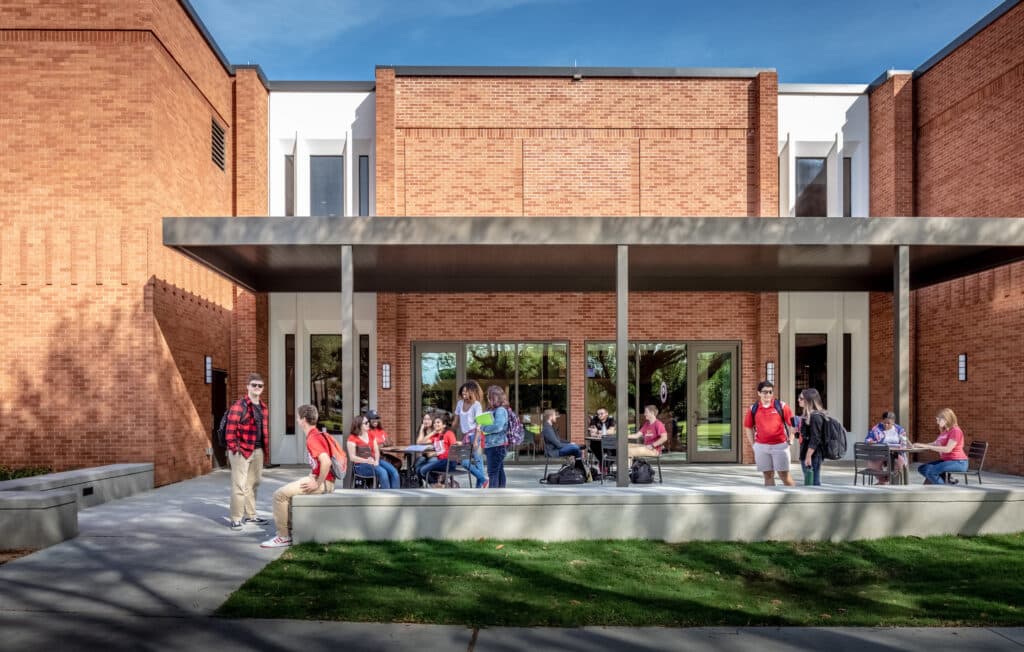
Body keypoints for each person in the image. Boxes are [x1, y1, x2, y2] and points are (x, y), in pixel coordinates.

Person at [261, 404, 338, 548]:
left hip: (323, 483)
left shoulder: (313, 438)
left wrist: (316, 482)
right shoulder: (316, 434)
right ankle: (290, 532)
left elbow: (326, 462)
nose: (296, 420)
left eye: (297, 417)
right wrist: (312, 475)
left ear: (303, 419)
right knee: (287, 494)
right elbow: (320, 463)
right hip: (324, 481)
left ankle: (283, 537)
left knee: (279, 495)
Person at [225, 373, 270, 530]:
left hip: (258, 450)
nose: (257, 388)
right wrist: (234, 449)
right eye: (254, 385)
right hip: (241, 451)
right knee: (239, 485)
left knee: (253, 483)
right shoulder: (239, 406)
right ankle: (236, 518)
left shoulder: (263, 408)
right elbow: (229, 431)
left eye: (260, 385)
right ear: (248, 387)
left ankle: (251, 516)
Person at [742, 380, 795, 487]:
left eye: (770, 392)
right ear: (759, 393)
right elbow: (748, 427)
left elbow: (792, 424)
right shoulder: (754, 408)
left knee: (784, 475)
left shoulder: (781, 406)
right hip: (761, 447)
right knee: (768, 475)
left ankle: (795, 500)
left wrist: (791, 438)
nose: (768, 394)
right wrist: (754, 444)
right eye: (765, 392)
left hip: (780, 446)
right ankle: (770, 500)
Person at [916, 408, 969, 485]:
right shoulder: (945, 431)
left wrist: (929, 447)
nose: (937, 422)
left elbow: (948, 449)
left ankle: (945, 489)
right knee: (923, 468)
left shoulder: (955, 431)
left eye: (938, 420)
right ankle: (946, 482)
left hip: (958, 462)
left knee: (931, 472)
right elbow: (935, 443)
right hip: (947, 460)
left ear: (946, 419)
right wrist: (919, 445)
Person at [455, 381, 488, 489]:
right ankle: (483, 480)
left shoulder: (476, 405)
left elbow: (479, 423)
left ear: (472, 392)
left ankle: (479, 489)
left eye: (466, 391)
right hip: (465, 437)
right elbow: (455, 422)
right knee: (464, 463)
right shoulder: (460, 403)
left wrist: (476, 441)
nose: (464, 393)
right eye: (462, 391)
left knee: (478, 461)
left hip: (475, 436)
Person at [347, 414, 393, 489]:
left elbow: (376, 450)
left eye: (368, 422)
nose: (368, 424)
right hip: (361, 465)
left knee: (393, 471)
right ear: (359, 425)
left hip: (374, 461)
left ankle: (395, 495)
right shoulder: (352, 438)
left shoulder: (371, 434)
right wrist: (366, 460)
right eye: (366, 423)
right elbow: (352, 458)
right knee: (383, 472)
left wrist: (377, 461)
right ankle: (387, 496)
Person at [865, 411, 910, 484]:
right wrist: (870, 441)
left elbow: (904, 442)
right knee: (873, 466)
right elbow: (868, 439)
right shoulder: (876, 429)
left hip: (895, 454)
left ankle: (883, 482)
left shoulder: (899, 429)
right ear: (882, 421)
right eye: (884, 422)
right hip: (880, 453)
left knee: (899, 463)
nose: (886, 425)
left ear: (893, 422)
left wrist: (903, 443)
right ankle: (882, 481)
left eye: (888, 423)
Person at [479, 385, 510, 488]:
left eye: (489, 397)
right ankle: (501, 494)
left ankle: (493, 496)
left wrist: (483, 428)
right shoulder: (495, 410)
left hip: (496, 446)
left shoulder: (500, 410)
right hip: (495, 445)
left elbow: (498, 426)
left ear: (495, 397)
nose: (488, 399)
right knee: (499, 471)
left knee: (492, 472)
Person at [418, 413, 459, 486]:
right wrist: (433, 432)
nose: (435, 424)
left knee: (423, 470)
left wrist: (436, 454)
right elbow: (421, 443)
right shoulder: (436, 436)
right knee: (420, 470)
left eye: (438, 422)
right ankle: (438, 485)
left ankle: (437, 485)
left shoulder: (449, 433)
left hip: (449, 462)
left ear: (444, 425)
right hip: (441, 462)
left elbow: (454, 450)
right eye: (434, 423)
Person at [795, 389, 826, 486]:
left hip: (813, 455)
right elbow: (807, 436)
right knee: (810, 482)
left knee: (813, 483)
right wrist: (797, 432)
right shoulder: (807, 416)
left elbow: (815, 438)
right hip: (806, 453)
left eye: (801, 398)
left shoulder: (815, 417)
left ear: (808, 400)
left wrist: (808, 456)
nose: (798, 400)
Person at [366, 410, 401, 488]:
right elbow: (372, 447)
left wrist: (381, 444)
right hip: (373, 457)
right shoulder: (367, 431)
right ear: (368, 420)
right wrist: (381, 444)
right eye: (373, 419)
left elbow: (390, 442)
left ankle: (395, 491)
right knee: (389, 470)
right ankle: (386, 490)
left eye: (377, 418)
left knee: (397, 464)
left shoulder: (380, 430)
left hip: (381, 455)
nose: (375, 421)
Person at [413, 411, 437, 480]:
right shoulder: (423, 430)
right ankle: (426, 484)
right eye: (424, 419)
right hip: (425, 456)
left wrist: (433, 432)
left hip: (435, 456)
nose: (426, 421)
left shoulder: (436, 430)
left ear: (433, 420)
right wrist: (421, 429)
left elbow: (420, 443)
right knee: (417, 468)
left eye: (428, 419)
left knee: (423, 467)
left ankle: (434, 483)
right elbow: (418, 443)